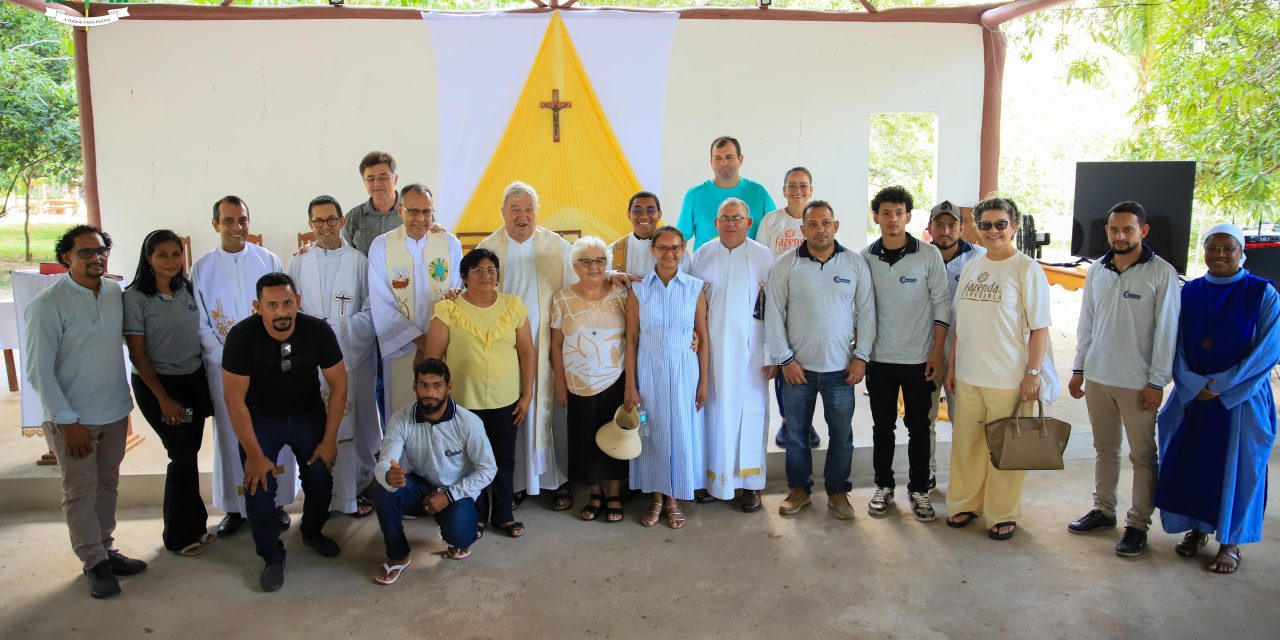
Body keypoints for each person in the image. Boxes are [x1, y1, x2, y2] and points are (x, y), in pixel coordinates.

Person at [25, 225, 146, 599]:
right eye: (85, 252)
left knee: (107, 484)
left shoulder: (114, 292)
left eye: (100, 251)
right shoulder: (48, 305)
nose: (95, 258)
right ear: (66, 258)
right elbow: (38, 370)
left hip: (112, 410)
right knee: (79, 490)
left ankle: (106, 548)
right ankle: (93, 562)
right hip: (73, 419)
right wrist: (67, 421)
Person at [1154, 223, 1279, 575]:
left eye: (1228, 248)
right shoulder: (1188, 292)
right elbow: (1173, 343)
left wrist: (1223, 385)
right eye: (1213, 247)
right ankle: (1197, 529)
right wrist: (1193, 384)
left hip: (1241, 399)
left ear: (1242, 252)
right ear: (1204, 250)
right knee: (1193, 463)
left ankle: (1231, 541)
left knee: (1239, 469)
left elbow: (1268, 350)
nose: (1220, 254)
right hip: (1194, 396)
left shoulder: (1262, 293)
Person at [1066, 201, 1179, 557]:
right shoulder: (1097, 270)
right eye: (1114, 230)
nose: (1120, 236)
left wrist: (1157, 382)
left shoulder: (1162, 273)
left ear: (1142, 231)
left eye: (1128, 230)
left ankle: (1137, 524)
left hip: (1138, 383)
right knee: (1105, 449)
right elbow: (1087, 324)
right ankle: (1103, 510)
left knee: (1143, 455)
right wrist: (1079, 369)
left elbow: (1167, 332)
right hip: (1098, 377)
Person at [221, 272, 346, 592]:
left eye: (287, 303)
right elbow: (234, 401)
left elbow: (339, 385)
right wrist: (253, 454)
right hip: (260, 417)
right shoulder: (241, 336)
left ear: (298, 302)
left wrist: (330, 440)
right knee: (258, 484)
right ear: (257, 307)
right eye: (272, 305)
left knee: (320, 474)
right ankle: (271, 557)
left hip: (307, 413)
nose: (281, 312)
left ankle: (312, 531)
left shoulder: (317, 331)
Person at [945, 197, 1052, 541]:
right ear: (977, 228)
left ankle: (1001, 512)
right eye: (986, 224)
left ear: (1014, 227)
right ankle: (965, 502)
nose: (993, 231)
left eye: (1000, 224)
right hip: (968, 375)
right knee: (967, 446)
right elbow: (959, 322)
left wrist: (1032, 374)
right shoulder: (973, 267)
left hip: (1008, 378)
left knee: (1005, 450)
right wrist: (952, 365)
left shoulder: (1026, 269)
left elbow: (1040, 328)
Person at [192, 195, 294, 537]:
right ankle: (236, 508)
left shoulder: (268, 259)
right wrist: (228, 360)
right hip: (224, 367)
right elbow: (203, 323)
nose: (237, 227)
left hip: (267, 367)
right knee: (231, 433)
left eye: (243, 220)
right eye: (229, 221)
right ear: (216, 225)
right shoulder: (202, 268)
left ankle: (276, 503)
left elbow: (281, 312)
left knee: (271, 431)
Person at [766, 201, 876, 520]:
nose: (820, 229)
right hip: (797, 369)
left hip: (841, 371)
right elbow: (773, 313)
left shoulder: (854, 264)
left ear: (835, 226)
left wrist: (861, 357)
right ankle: (799, 490)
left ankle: (838, 492)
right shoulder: (786, 265)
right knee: (797, 435)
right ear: (803, 230)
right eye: (813, 224)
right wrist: (785, 359)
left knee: (841, 434)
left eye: (826, 223)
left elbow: (867, 312)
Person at [477, 181, 576, 510]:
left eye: (529, 209)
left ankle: (556, 479)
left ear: (537, 212)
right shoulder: (488, 248)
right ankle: (515, 482)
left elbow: (579, 285)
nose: (523, 216)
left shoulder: (556, 245)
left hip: (547, 342)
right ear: (502, 213)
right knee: (511, 412)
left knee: (549, 411)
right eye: (515, 210)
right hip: (503, 348)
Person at [424, 248, 536, 537]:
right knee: (468, 461)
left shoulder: (513, 305)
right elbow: (433, 360)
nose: (487, 275)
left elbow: (527, 352)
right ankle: (474, 514)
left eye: (492, 270)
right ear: (464, 276)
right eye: (478, 270)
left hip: (505, 399)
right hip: (463, 403)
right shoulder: (448, 309)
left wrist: (527, 395)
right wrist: (437, 401)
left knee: (502, 459)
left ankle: (504, 513)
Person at [860, 186, 951, 522]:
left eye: (899, 213)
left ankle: (919, 490)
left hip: (919, 361)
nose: (893, 219)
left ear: (908, 217)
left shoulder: (928, 255)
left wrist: (937, 353)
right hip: (880, 360)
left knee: (918, 427)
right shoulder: (865, 257)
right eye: (886, 213)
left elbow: (942, 303)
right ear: (877, 217)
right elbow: (860, 308)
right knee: (882, 428)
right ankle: (883, 486)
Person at [124, 230, 216, 556]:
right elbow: (138, 354)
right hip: (159, 385)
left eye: (176, 254)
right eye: (162, 255)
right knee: (180, 454)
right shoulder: (135, 297)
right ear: (148, 258)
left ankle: (196, 525)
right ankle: (178, 536)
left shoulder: (186, 289)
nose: (171, 261)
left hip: (192, 381)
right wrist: (163, 399)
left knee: (189, 452)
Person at [287, 195, 379, 519]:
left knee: (350, 426)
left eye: (330, 219)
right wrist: (312, 340)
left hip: (349, 357)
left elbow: (371, 311)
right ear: (310, 224)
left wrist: (337, 330)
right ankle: (319, 498)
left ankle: (350, 495)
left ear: (342, 222)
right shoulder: (297, 262)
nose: (324, 226)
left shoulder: (360, 261)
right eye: (318, 221)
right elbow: (291, 309)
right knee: (315, 426)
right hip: (310, 364)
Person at [370, 359, 497, 583]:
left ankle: (452, 532)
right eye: (424, 385)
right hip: (421, 486)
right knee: (384, 491)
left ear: (449, 387)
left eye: (437, 385)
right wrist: (389, 475)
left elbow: (488, 469)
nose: (430, 392)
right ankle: (398, 556)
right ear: (414, 386)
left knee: (461, 538)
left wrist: (448, 496)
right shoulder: (401, 419)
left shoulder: (469, 422)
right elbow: (385, 462)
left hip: (456, 491)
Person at [689, 199, 774, 512]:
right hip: (711, 352)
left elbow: (775, 307)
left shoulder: (764, 256)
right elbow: (691, 301)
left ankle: (751, 484)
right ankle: (715, 480)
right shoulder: (703, 254)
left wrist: (773, 353)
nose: (730, 223)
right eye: (725, 218)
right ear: (716, 223)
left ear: (748, 222)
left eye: (737, 218)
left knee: (751, 412)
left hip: (752, 352)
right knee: (713, 411)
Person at [625, 226, 710, 528]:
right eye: (663, 247)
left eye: (675, 247)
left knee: (680, 432)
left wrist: (704, 382)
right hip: (649, 372)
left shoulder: (694, 287)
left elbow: (703, 335)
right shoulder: (639, 289)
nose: (669, 253)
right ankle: (657, 497)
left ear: (683, 250)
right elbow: (632, 339)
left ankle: (674, 497)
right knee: (652, 432)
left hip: (686, 372)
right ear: (653, 250)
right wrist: (631, 385)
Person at [550, 237, 631, 522]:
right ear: (575, 266)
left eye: (600, 261)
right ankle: (594, 493)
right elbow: (555, 345)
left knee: (615, 437)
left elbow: (633, 338)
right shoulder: (562, 298)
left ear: (607, 265)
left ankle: (614, 494)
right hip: (577, 381)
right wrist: (559, 383)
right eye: (586, 261)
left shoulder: (622, 294)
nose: (593, 267)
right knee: (585, 438)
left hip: (615, 378)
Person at [368, 183, 463, 419]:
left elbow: (456, 294)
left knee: (440, 416)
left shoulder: (449, 243)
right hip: (402, 347)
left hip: (444, 346)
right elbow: (381, 304)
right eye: (413, 211)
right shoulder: (382, 246)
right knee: (402, 414)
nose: (420, 218)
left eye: (427, 211)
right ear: (400, 211)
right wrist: (422, 343)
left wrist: (433, 346)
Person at [757, 167, 820, 450]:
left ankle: (805, 420)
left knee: (808, 363)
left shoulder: (818, 220)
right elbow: (759, 261)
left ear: (811, 189)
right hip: (778, 302)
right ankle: (787, 421)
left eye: (803, 185)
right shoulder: (771, 221)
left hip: (809, 304)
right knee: (784, 362)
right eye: (792, 185)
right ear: (783, 190)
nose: (798, 190)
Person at [926, 200, 985, 490]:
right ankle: (927, 473)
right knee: (923, 419)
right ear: (930, 227)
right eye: (940, 224)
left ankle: (965, 482)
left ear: (963, 228)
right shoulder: (921, 256)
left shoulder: (980, 259)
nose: (946, 230)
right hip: (926, 353)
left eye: (952, 225)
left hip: (965, 356)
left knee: (964, 420)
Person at [676, 136, 776, 250]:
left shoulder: (758, 193)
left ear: (741, 159)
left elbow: (775, 231)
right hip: (708, 266)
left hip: (750, 265)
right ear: (711, 161)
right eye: (717, 158)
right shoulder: (694, 195)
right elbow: (680, 239)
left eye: (729, 157)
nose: (723, 163)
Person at [607, 191, 689, 278]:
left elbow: (688, 284)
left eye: (651, 210)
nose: (644, 216)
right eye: (637, 210)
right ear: (629, 214)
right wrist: (610, 275)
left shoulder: (677, 250)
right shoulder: (613, 250)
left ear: (659, 215)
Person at [343, 151, 403, 256]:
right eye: (370, 179)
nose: (377, 183)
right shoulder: (353, 217)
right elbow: (345, 256)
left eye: (383, 177)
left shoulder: (414, 212)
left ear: (395, 179)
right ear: (364, 182)